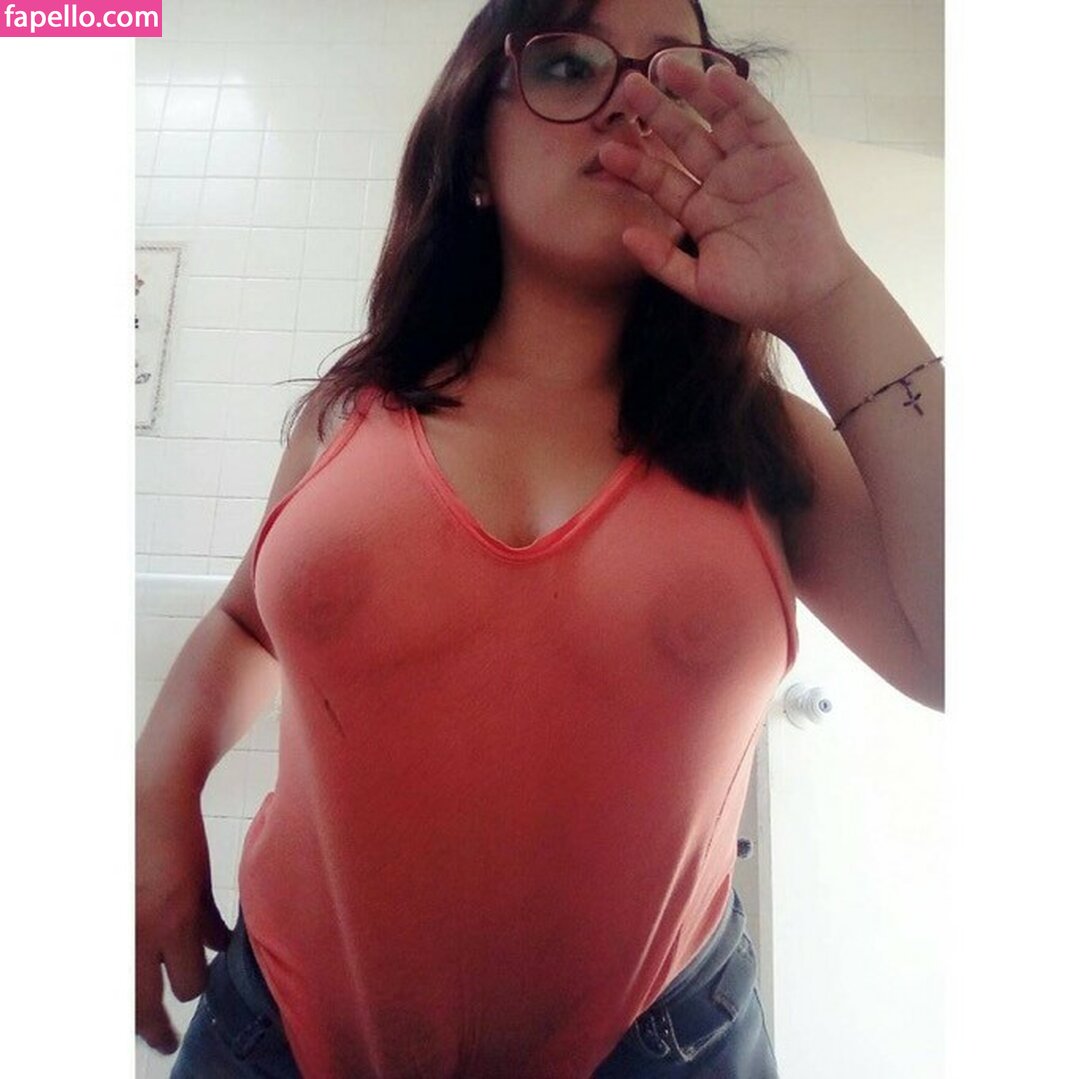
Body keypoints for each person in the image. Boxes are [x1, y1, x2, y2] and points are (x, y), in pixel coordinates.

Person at [135, 0, 944, 1075]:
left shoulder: (766, 441)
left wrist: (830, 294)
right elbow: (246, 623)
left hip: (659, 1045)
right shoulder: (350, 411)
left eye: (676, 74)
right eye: (568, 65)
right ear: (474, 150)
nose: (631, 103)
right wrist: (154, 784)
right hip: (272, 1028)